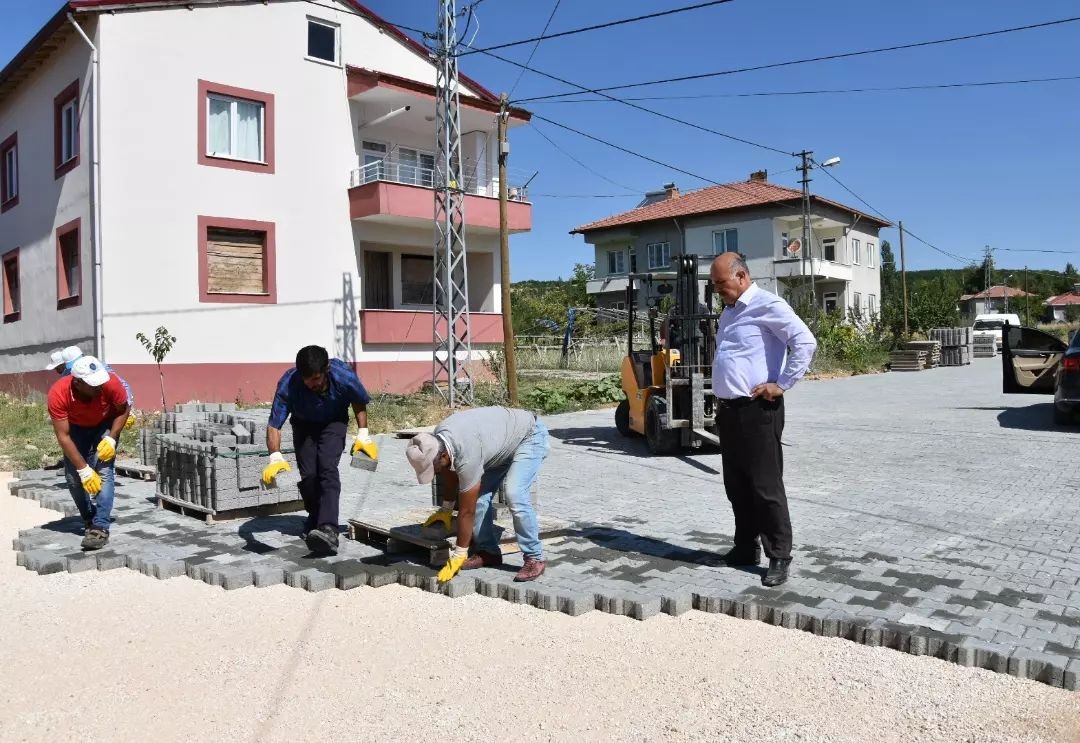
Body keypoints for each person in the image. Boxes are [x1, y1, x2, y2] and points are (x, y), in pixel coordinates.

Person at [709, 252, 817, 588]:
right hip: (730, 410)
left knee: (765, 486)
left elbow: (804, 341)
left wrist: (781, 383)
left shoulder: (768, 305)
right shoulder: (729, 312)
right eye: (714, 286)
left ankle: (780, 555)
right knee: (736, 485)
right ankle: (745, 547)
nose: (718, 292)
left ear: (741, 277)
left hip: (758, 410)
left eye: (721, 285)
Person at [406, 406, 549, 584]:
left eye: (433, 468)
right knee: (481, 498)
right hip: (498, 446)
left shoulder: (466, 452)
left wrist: (459, 553)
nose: (435, 472)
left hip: (529, 436)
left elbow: (467, 511)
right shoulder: (439, 440)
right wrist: (446, 509)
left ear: (443, 455)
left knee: (515, 493)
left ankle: (535, 558)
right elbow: (449, 471)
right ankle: (488, 552)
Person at [263, 345, 376, 556]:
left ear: (326, 370)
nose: (311, 384)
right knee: (309, 476)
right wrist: (275, 456)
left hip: (334, 422)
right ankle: (315, 519)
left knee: (327, 468)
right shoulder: (290, 383)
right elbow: (274, 424)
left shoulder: (343, 375)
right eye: (307, 379)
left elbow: (358, 400)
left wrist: (363, 434)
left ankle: (329, 528)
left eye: (315, 379)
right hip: (303, 426)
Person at [47, 355, 131, 550]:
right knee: (74, 478)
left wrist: (112, 437)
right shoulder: (59, 393)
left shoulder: (109, 382)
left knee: (104, 472)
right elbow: (64, 436)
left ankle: (100, 526)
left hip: (104, 425)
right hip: (75, 429)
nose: (99, 387)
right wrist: (83, 469)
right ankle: (88, 517)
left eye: (100, 382)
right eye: (93, 385)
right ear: (77, 382)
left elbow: (123, 408)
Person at [58, 345, 134, 408]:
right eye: (72, 366)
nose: (75, 366)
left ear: (83, 356)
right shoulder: (69, 373)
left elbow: (120, 384)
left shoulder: (99, 366)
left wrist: (126, 402)